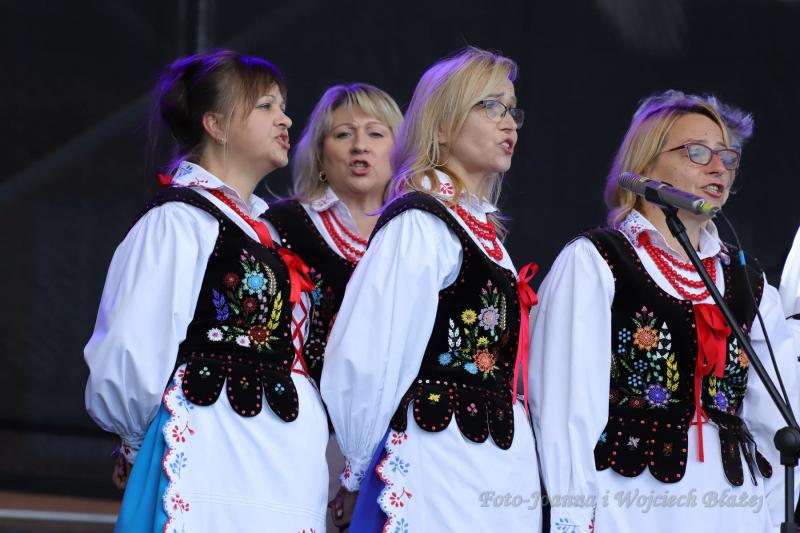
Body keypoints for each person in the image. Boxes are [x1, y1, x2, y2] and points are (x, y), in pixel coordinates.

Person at [530, 90, 799, 532]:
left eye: (727, 157)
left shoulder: (748, 282)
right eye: (697, 152)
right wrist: (572, 519)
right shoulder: (597, 260)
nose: (718, 167)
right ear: (646, 163)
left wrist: (770, 518)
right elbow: (565, 408)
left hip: (732, 509)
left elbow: (774, 418)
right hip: (632, 502)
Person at [84, 50, 329, 531]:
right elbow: (132, 344)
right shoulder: (178, 221)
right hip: (212, 453)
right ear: (215, 124)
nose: (285, 119)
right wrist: (135, 442)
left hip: (280, 463)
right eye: (266, 106)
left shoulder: (263, 232)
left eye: (283, 107)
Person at [320, 47, 542, 532]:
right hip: (437, 469)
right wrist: (357, 468)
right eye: (491, 106)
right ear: (440, 127)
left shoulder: (481, 234)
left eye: (512, 109)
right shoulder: (420, 223)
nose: (509, 123)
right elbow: (369, 352)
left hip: (493, 471)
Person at [263, 82, 402, 388]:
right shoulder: (283, 226)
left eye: (376, 133)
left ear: (400, 149)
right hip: (302, 405)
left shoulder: (415, 233)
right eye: (343, 134)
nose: (360, 146)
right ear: (319, 154)